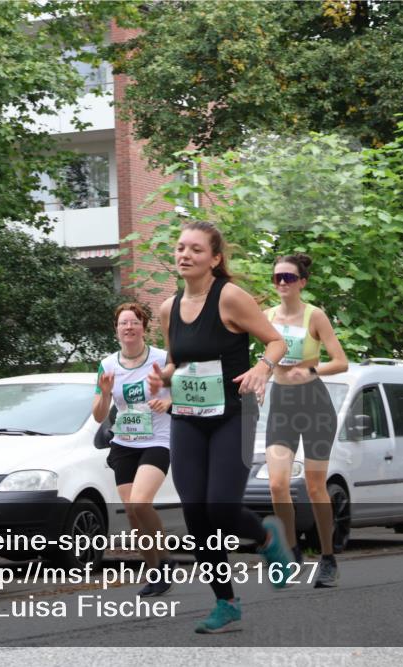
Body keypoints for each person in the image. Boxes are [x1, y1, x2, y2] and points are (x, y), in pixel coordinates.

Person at [146, 221, 292, 634]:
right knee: (196, 513)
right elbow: (177, 360)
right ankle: (225, 603)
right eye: (181, 248)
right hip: (188, 417)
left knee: (221, 509)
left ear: (214, 259)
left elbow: (276, 342)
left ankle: (267, 538)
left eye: (196, 249)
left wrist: (262, 368)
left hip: (233, 415)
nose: (185, 255)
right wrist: (164, 377)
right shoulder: (168, 308)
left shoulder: (228, 296)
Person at [263, 253, 348, 587]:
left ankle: (327, 558)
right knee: (277, 485)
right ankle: (292, 552)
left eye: (289, 277)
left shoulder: (315, 315)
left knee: (314, 487)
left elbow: (340, 361)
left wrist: (311, 370)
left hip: (314, 403)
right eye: (277, 277)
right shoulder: (266, 317)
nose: (282, 282)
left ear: (302, 282)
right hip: (281, 403)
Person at [92, 303, 175, 596]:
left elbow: (185, 390)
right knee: (131, 511)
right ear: (116, 329)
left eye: (134, 322)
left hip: (158, 441)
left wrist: (169, 402)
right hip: (124, 442)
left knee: (141, 503)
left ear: (144, 327)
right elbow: (98, 415)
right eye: (123, 323)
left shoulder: (162, 359)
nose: (129, 327)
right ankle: (155, 571)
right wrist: (105, 394)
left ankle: (165, 560)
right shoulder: (107, 365)